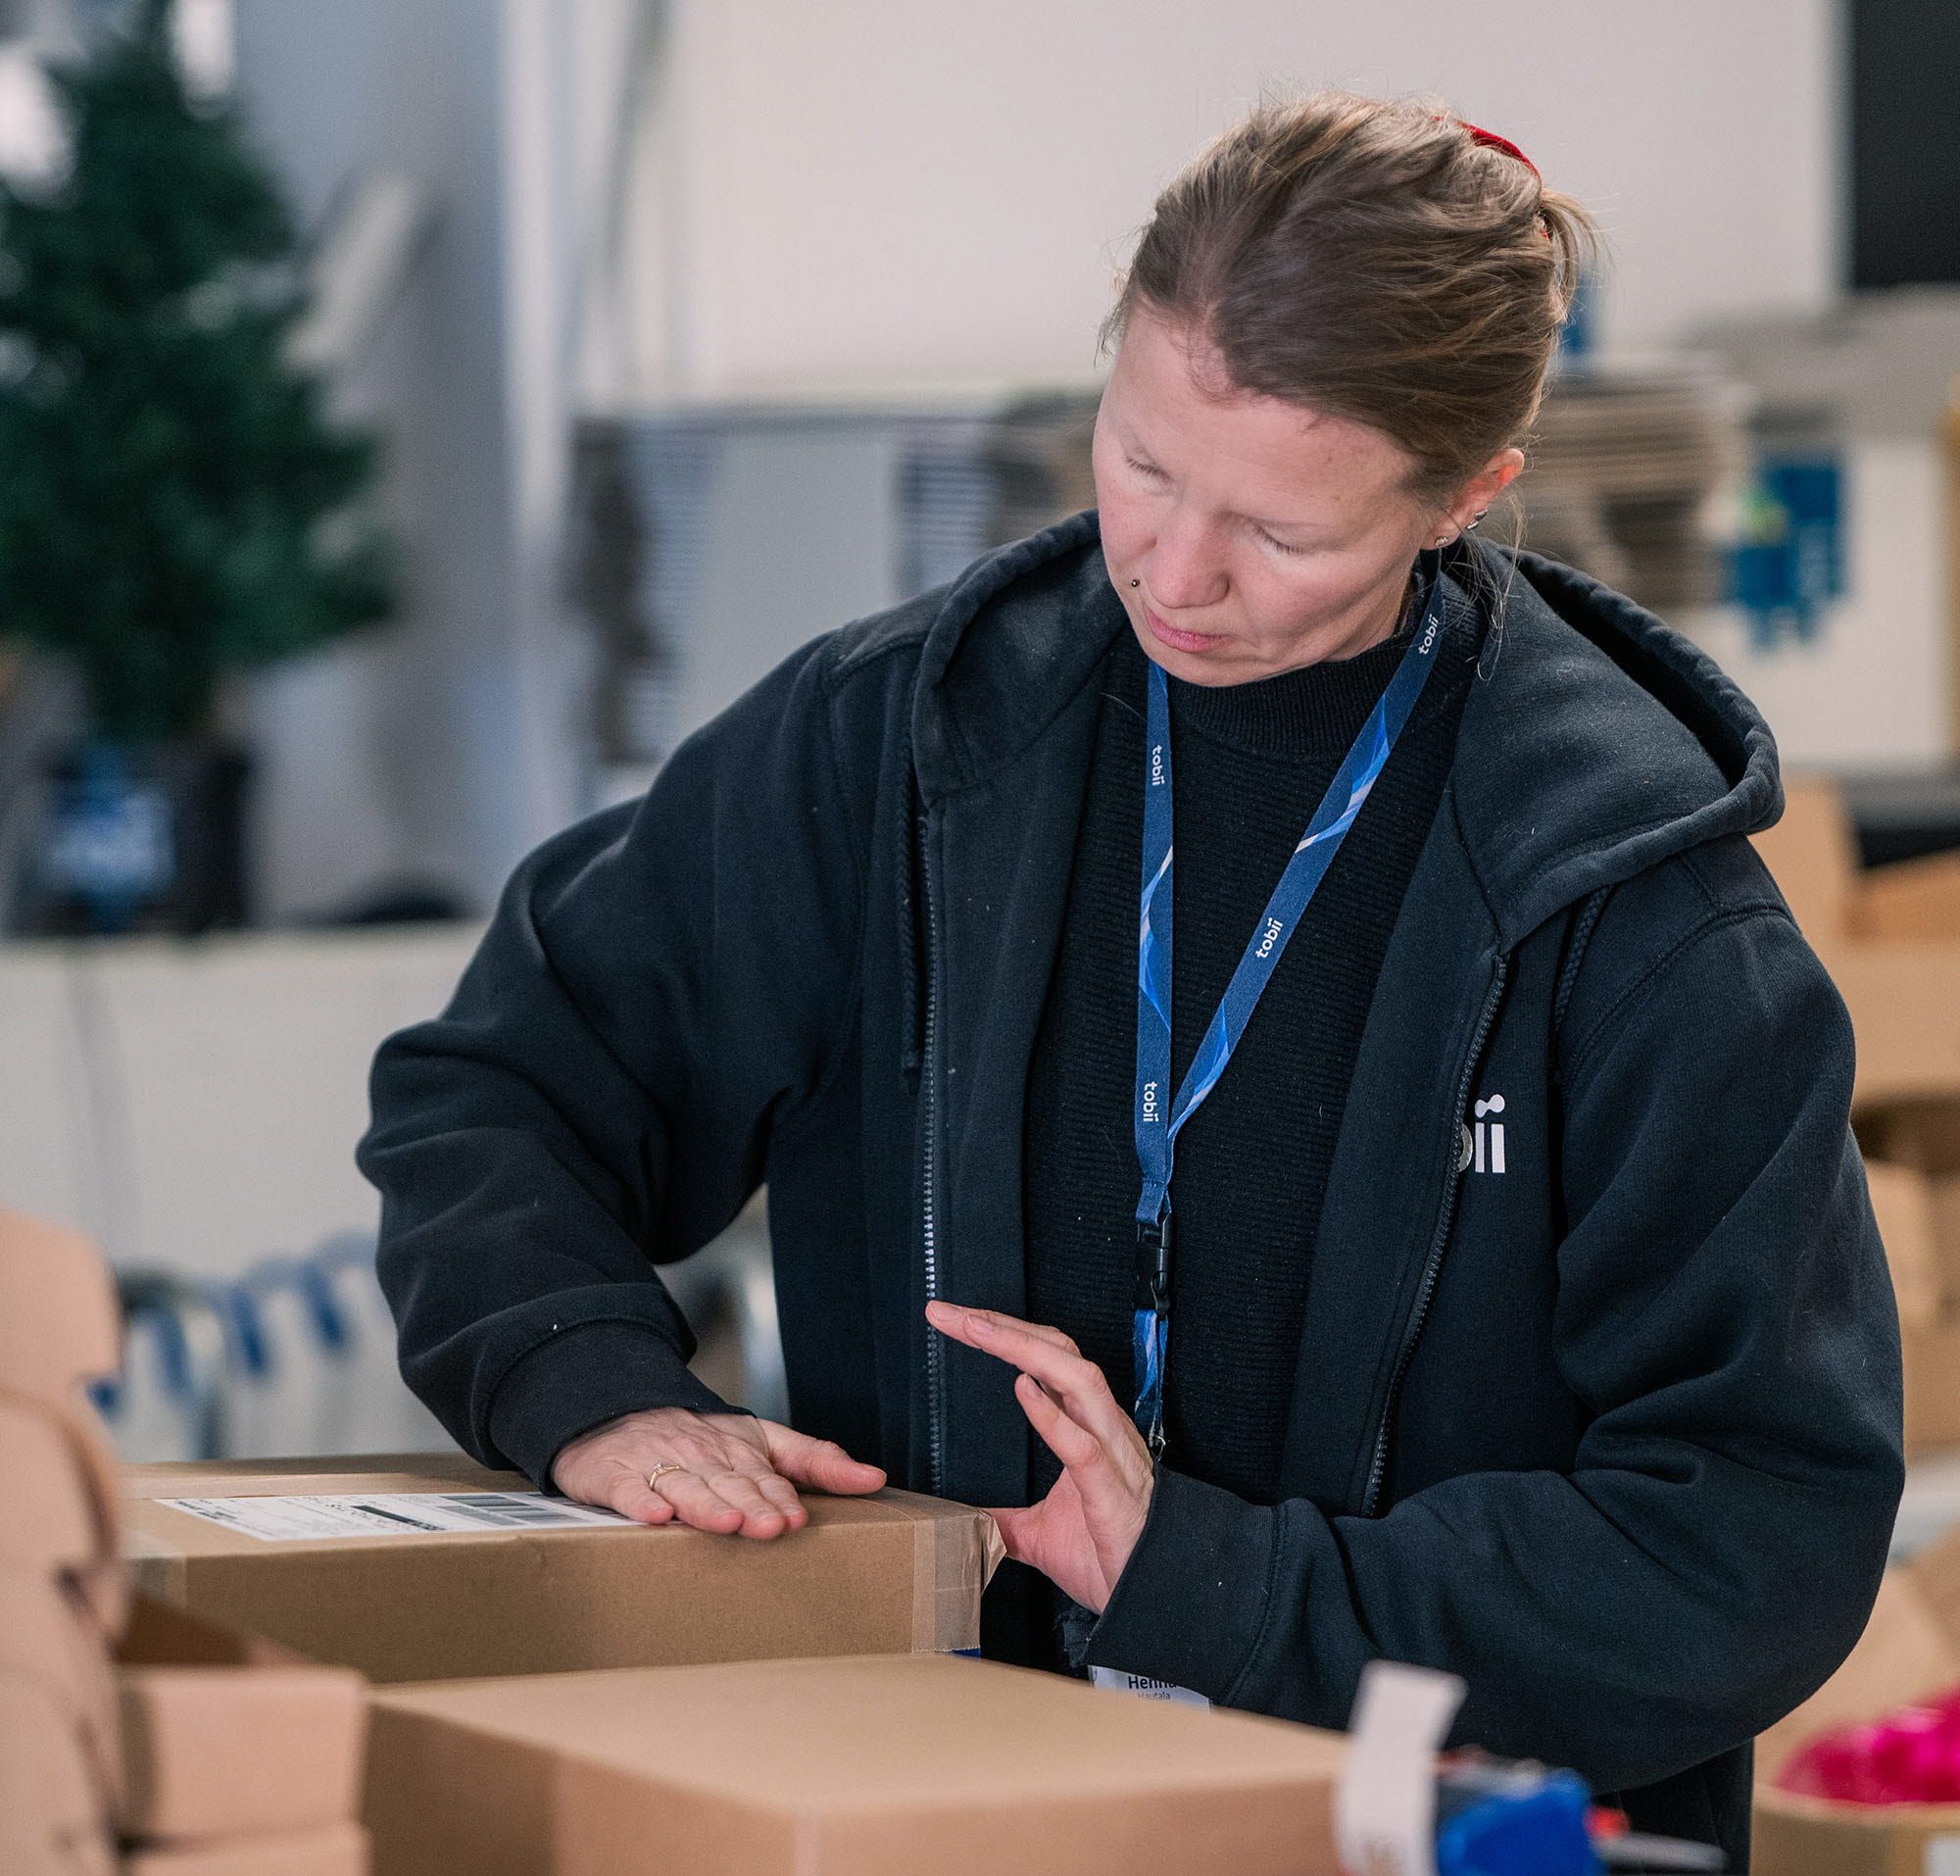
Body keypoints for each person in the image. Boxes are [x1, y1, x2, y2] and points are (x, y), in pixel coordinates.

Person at [359, 89, 1902, 1866]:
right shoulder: (897, 747)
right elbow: (503, 1086)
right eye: (1145, 463)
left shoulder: (1642, 912)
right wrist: (583, 1382)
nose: (1177, 573)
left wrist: (1221, 1583)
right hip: (934, 1810)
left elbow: (1752, 1536)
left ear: (1468, 493)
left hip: (1433, 1834)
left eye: (1283, 533)